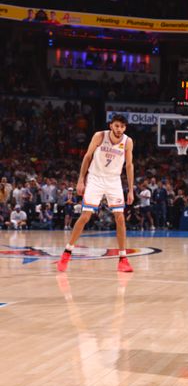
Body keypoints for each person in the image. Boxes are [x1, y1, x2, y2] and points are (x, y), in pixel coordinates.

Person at [57, 115, 135, 272]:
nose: (119, 129)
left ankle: (123, 259)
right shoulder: (100, 136)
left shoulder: (128, 141)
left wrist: (131, 189)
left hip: (113, 180)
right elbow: (87, 157)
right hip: (95, 178)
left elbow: (129, 165)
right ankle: (67, 252)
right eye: (116, 125)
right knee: (85, 216)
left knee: (120, 218)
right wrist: (81, 180)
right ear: (111, 125)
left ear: (125, 128)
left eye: (122, 126)